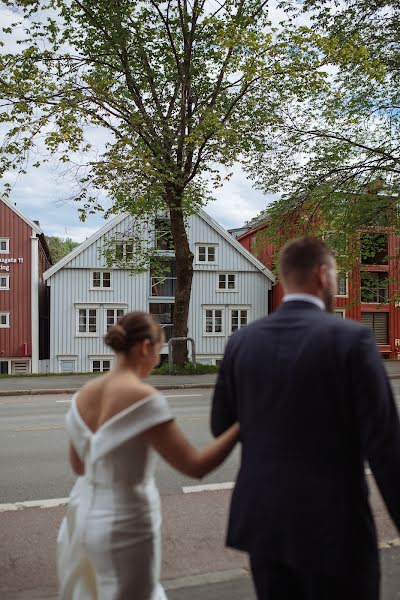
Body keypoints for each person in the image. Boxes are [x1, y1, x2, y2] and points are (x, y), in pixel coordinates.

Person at [211, 236, 400, 600]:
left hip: (264, 523)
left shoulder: (242, 341)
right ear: (322, 275)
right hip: (333, 525)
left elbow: (221, 426)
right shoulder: (353, 339)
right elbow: (385, 447)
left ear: (284, 278)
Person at [57, 311, 239, 600]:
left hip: (84, 522)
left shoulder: (84, 395)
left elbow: (78, 466)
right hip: (127, 523)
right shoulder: (144, 399)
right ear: (145, 347)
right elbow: (196, 466)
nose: (158, 358)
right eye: (159, 349)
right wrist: (243, 425)